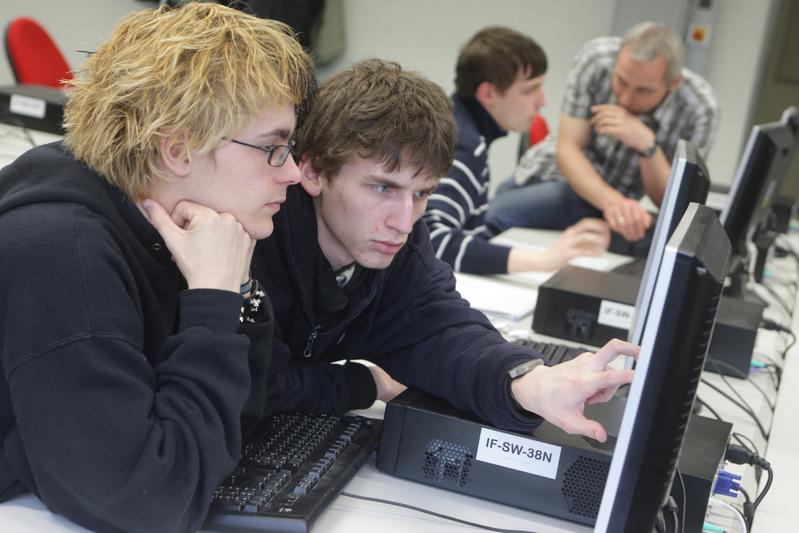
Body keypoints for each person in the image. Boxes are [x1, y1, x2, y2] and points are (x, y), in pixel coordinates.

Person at [0, 4, 314, 532]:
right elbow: (151, 505)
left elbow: (235, 427)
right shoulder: (63, 252)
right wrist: (213, 300)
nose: (295, 175)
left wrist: (235, 291)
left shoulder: (165, 229)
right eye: (272, 148)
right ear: (178, 150)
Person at [251, 58, 637, 444]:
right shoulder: (256, 235)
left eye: (421, 193)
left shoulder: (400, 249)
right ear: (314, 171)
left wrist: (528, 381)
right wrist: (361, 383)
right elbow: (251, 383)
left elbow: (443, 330)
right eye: (383, 187)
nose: (404, 222)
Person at [486, 22, 720, 242]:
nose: (626, 98)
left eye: (643, 91)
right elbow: (568, 150)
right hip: (554, 177)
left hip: (614, 209)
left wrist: (647, 146)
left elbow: (675, 205)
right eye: (621, 81)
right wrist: (615, 203)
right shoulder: (596, 60)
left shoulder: (700, 108)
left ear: (674, 83)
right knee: (490, 217)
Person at [424, 26, 609, 274]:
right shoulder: (464, 147)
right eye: (530, 89)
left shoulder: (462, 126)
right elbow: (430, 241)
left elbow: (468, 229)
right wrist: (543, 261)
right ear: (489, 93)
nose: (542, 101)